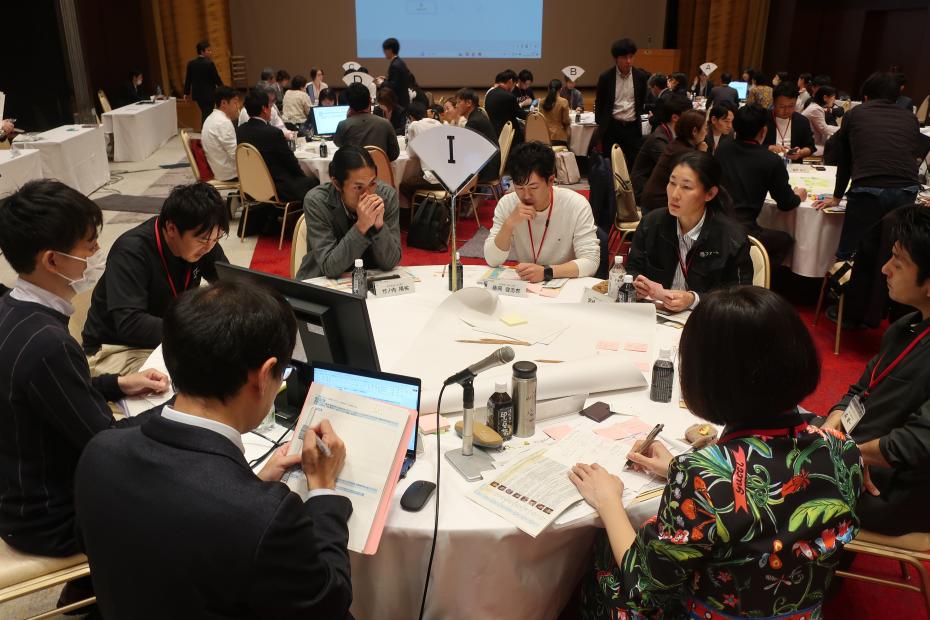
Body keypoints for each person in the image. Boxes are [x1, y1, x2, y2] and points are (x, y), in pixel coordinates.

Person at [571, 286, 861, 619]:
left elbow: (645, 585)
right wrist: (690, 468)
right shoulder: (843, 449)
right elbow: (771, 494)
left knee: (605, 553)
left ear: (707, 378)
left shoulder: (700, 477)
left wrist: (608, 501)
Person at [75, 280, 353, 619]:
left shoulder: (100, 451)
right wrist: (323, 491)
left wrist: (248, 483)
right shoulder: (264, 515)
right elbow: (328, 603)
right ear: (265, 375)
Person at [0, 180, 169, 558]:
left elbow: (45, 390)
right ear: (52, 260)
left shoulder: (12, 308)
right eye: (89, 245)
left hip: (18, 492)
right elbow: (108, 442)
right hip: (51, 517)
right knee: (188, 503)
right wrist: (183, 407)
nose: (96, 253)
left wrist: (117, 383)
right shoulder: (49, 343)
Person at [820, 205, 930, 534]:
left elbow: (916, 444)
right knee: (773, 430)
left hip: (899, 489)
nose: (885, 269)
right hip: (861, 450)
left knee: (769, 480)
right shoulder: (906, 326)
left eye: (898, 261)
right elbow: (860, 391)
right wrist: (831, 426)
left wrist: (845, 454)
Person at [82, 182, 230, 375]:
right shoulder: (131, 251)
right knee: (198, 375)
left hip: (163, 338)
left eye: (216, 239)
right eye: (203, 239)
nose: (209, 247)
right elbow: (130, 323)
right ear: (171, 228)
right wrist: (194, 330)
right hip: (115, 349)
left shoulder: (205, 241)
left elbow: (230, 285)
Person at [813, 72, 927, 260]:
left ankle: (846, 276)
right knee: (892, 253)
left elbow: (845, 160)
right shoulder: (910, 117)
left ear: (865, 97)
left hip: (868, 188)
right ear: (897, 96)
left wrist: (837, 197)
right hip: (907, 189)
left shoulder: (855, 114)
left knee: (853, 252)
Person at [629, 151, 752, 310]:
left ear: (710, 194)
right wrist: (638, 285)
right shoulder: (651, 223)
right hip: (654, 313)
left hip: (706, 318)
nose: (674, 194)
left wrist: (693, 299)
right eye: (672, 183)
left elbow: (739, 299)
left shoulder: (732, 238)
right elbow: (633, 269)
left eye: (686, 187)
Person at [484, 142, 599, 282]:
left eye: (533, 187)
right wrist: (509, 224)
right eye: (519, 187)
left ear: (551, 180)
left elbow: (590, 261)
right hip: (528, 284)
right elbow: (492, 260)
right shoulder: (507, 204)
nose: (526, 195)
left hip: (564, 281)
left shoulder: (576, 205)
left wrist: (547, 272)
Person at [716, 104, 807, 267]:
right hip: (744, 230)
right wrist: (798, 196)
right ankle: (759, 278)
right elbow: (786, 203)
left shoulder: (722, 149)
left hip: (715, 222)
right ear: (763, 131)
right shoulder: (771, 160)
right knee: (785, 240)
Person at [297, 146, 401, 280]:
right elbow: (330, 267)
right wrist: (361, 226)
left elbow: (390, 262)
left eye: (372, 183)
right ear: (337, 184)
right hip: (323, 281)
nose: (368, 194)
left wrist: (379, 227)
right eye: (358, 187)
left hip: (370, 278)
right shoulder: (317, 201)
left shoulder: (386, 197)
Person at [236, 89, 317, 202]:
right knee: (315, 181)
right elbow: (291, 162)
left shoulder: (240, 131)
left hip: (251, 187)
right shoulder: (273, 133)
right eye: (270, 106)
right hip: (277, 189)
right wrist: (303, 177)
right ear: (264, 109)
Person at [595, 38, 650, 170]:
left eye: (631, 57)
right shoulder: (606, 77)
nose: (629, 61)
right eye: (625, 57)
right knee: (610, 166)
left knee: (634, 165)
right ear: (616, 59)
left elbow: (641, 100)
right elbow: (600, 104)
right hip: (612, 127)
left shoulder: (640, 77)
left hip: (632, 128)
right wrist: (602, 125)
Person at [640, 109, 708, 213]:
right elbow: (699, 177)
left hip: (656, 199)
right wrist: (701, 153)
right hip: (658, 205)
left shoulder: (678, 143)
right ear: (694, 131)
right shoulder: (683, 153)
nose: (706, 133)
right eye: (705, 129)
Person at [630, 94, 690, 204]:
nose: (692, 120)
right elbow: (675, 168)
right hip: (644, 192)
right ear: (675, 118)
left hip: (658, 186)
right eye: (689, 116)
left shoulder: (672, 133)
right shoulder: (658, 139)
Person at [334, 83, 400, 161]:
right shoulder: (385, 123)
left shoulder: (343, 125)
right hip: (379, 167)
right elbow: (395, 153)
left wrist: (347, 119)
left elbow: (338, 144)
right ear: (370, 100)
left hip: (353, 167)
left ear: (349, 104)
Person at [456, 88, 501, 184]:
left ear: (469, 103)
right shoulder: (478, 115)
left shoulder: (473, 122)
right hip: (492, 166)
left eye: (459, 102)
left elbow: (467, 150)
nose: (456, 105)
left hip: (487, 170)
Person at [763, 82, 815, 162]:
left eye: (791, 106)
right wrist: (769, 148)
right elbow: (750, 145)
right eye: (782, 107)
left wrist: (800, 153)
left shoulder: (802, 121)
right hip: (767, 164)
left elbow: (810, 147)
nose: (786, 111)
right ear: (774, 103)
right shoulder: (763, 119)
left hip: (793, 166)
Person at [200, 86, 240, 182]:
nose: (238, 106)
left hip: (218, 169)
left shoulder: (210, 117)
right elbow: (235, 155)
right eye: (235, 102)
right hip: (229, 174)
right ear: (224, 103)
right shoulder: (223, 122)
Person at [401, 102, 442, 195]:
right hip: (449, 178)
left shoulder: (414, 125)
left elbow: (411, 154)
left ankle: (421, 203)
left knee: (404, 185)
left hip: (434, 179)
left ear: (410, 117)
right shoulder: (438, 123)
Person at [184, 40, 223, 123]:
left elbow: (188, 80)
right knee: (207, 115)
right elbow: (216, 79)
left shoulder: (191, 63)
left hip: (198, 95)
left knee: (205, 113)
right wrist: (223, 89)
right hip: (209, 94)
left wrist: (186, 93)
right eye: (208, 50)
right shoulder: (209, 63)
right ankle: (205, 130)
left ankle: (205, 129)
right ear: (202, 51)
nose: (211, 52)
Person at [485, 69, 527, 141]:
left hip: (493, 132)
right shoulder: (508, 96)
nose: (513, 88)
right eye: (514, 85)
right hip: (507, 134)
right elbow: (520, 114)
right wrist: (532, 114)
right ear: (510, 81)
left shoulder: (490, 93)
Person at [801, 84, 840, 151]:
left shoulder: (815, 106)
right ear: (825, 97)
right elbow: (824, 129)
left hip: (810, 142)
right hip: (808, 145)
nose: (834, 100)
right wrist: (841, 129)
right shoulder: (816, 109)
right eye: (833, 97)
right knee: (835, 150)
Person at [378, 37, 411, 107]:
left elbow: (393, 86)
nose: (384, 53)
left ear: (389, 50)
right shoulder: (400, 62)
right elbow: (397, 81)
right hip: (404, 99)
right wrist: (386, 80)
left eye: (384, 50)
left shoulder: (395, 65)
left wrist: (382, 82)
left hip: (399, 102)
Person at [538, 79, 571, 146]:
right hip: (558, 137)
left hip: (544, 135)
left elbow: (540, 118)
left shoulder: (542, 101)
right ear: (560, 89)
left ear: (548, 88)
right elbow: (566, 121)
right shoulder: (564, 102)